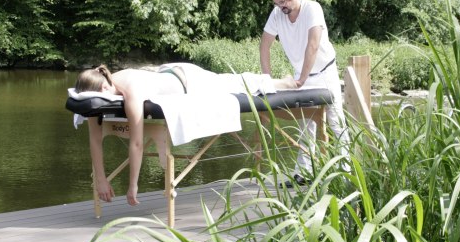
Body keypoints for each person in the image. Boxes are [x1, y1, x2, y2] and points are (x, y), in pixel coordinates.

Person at [74, 63, 297, 206]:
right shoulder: (97, 97)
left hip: (187, 79)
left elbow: (137, 143)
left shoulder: (131, 92)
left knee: (233, 82)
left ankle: (284, 82)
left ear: (104, 89)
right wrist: (100, 181)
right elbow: (94, 139)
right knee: (230, 80)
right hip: (162, 72)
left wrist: (133, 186)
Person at [260, 0, 350, 184]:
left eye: (283, 2)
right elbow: (265, 45)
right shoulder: (277, 14)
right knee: (304, 126)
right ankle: (303, 174)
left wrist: (301, 79)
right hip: (301, 77)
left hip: (324, 73)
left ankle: (346, 173)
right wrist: (267, 77)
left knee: (336, 122)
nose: (280, 7)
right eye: (276, 3)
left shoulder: (312, 9)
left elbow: (313, 45)